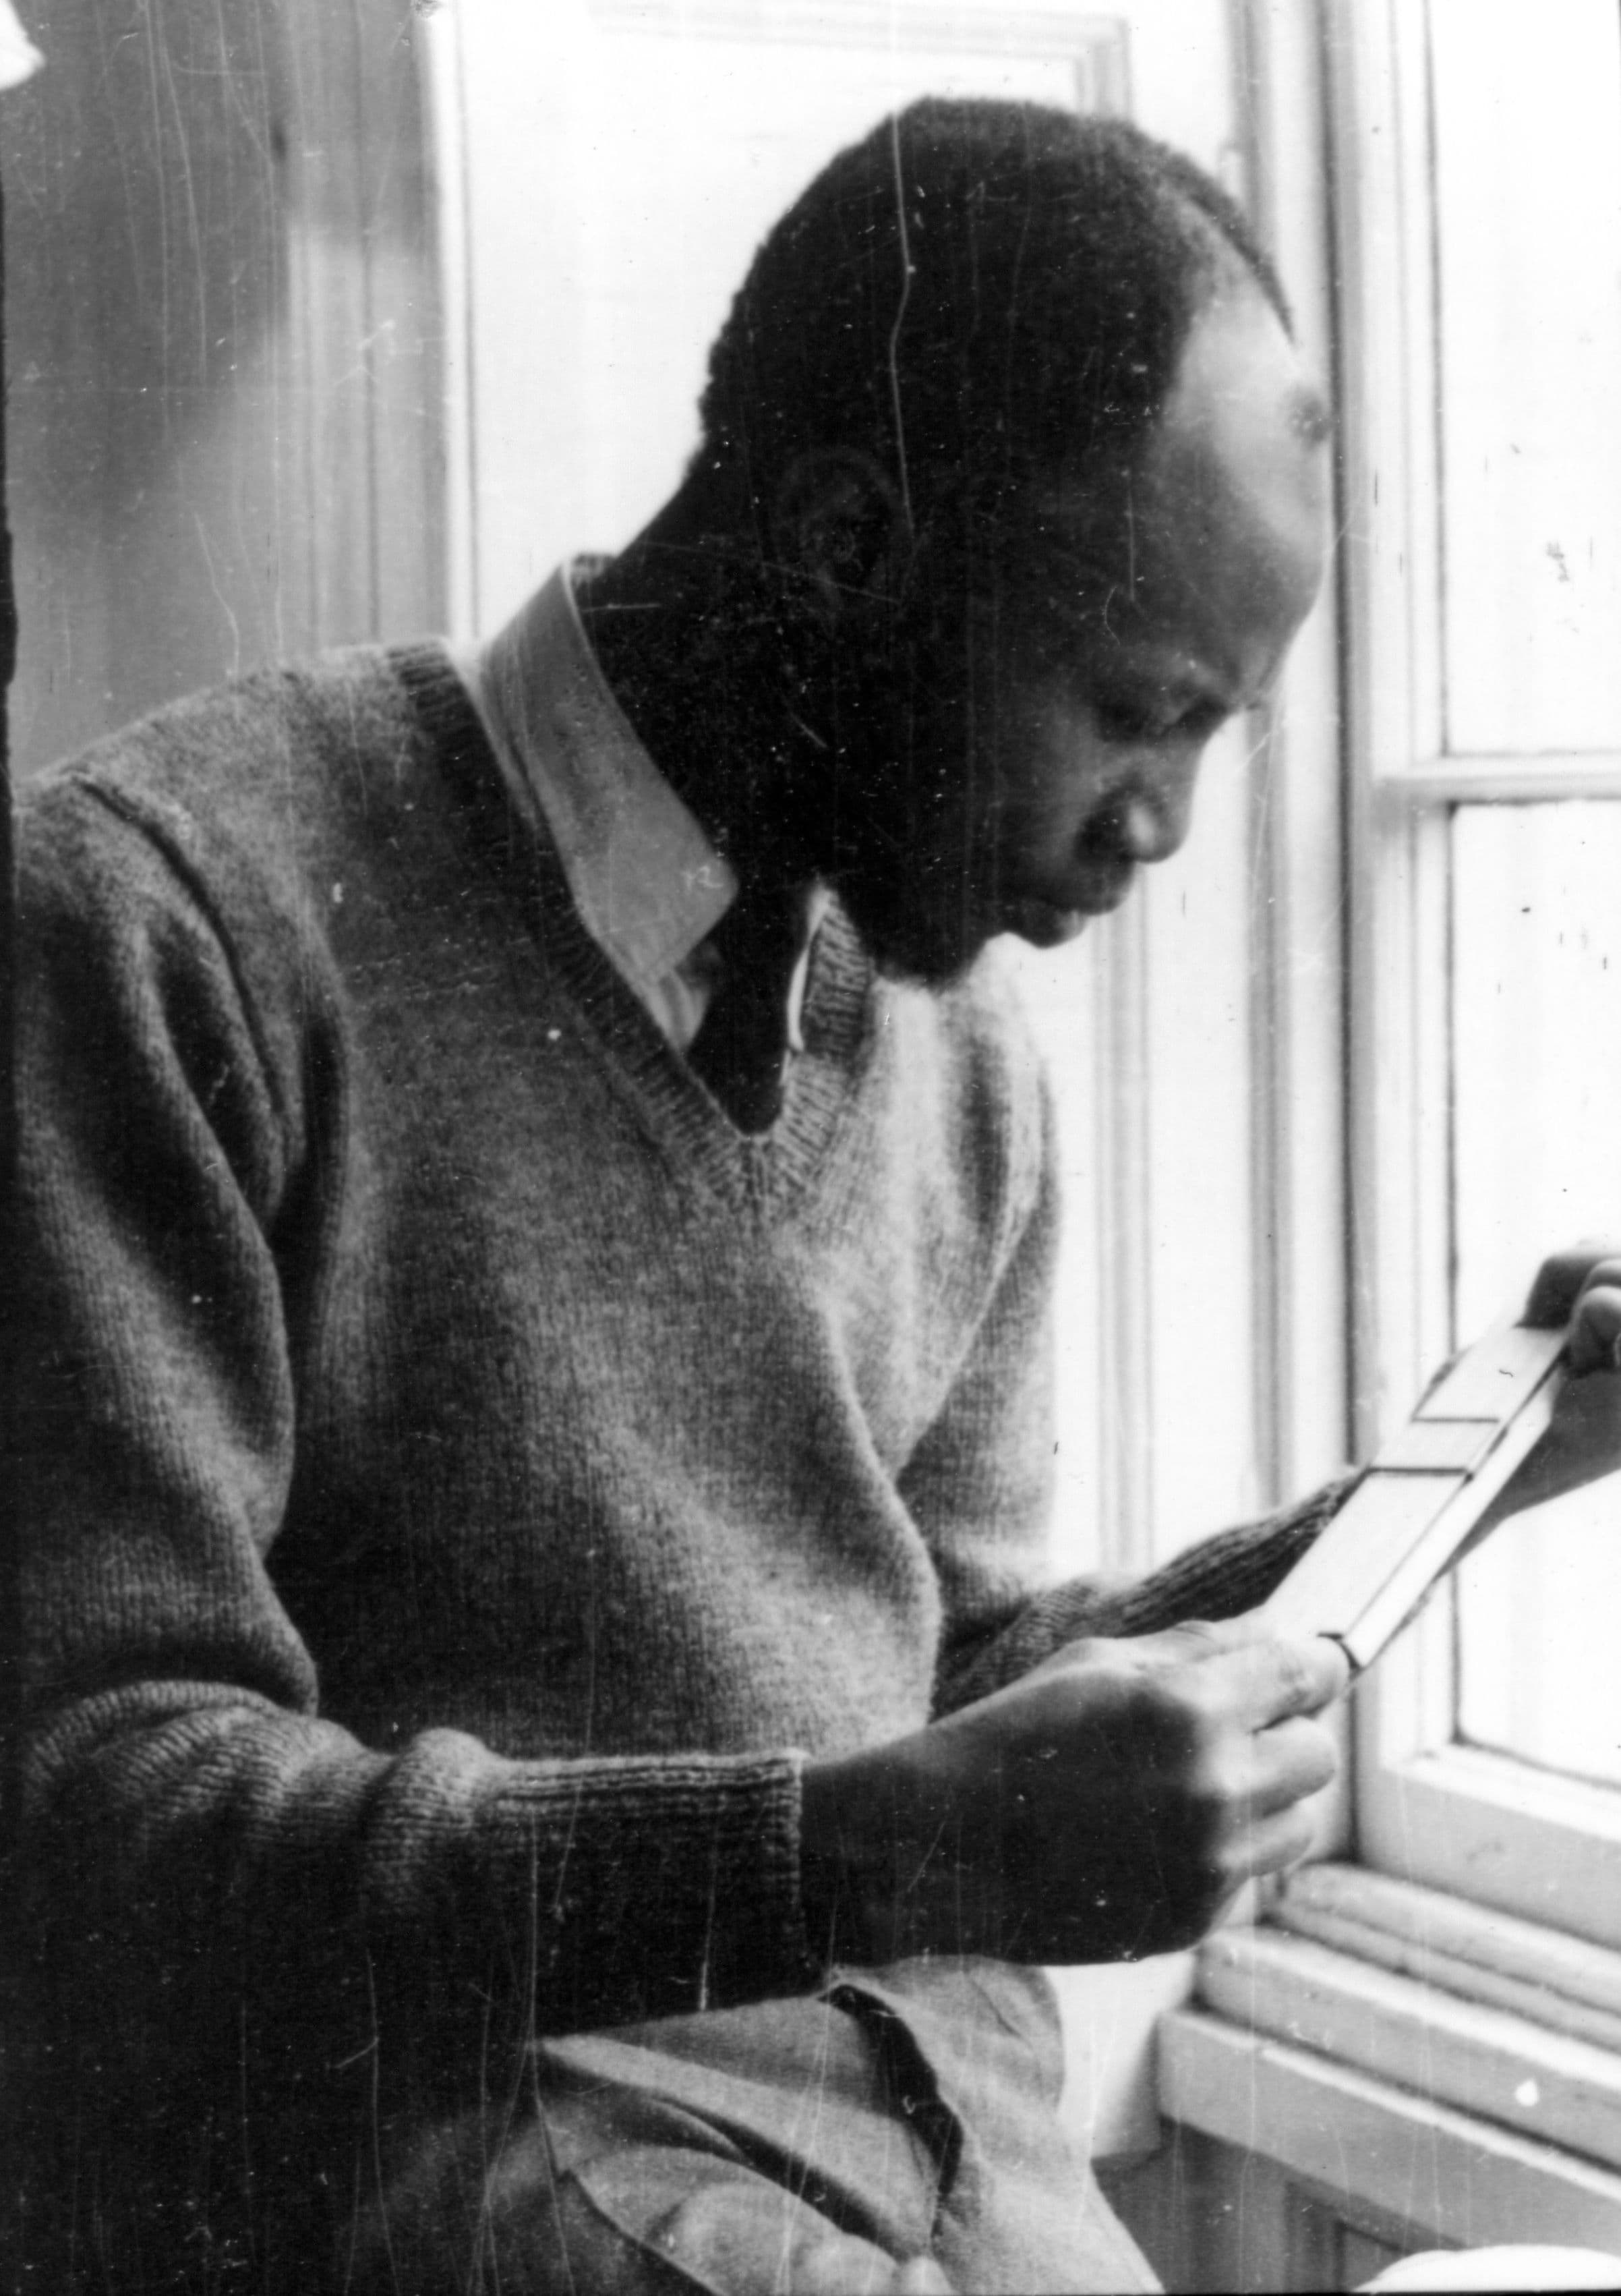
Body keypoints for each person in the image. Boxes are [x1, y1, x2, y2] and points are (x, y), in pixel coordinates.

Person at [8, 97, 1621, 2296]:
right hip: (449, 2155)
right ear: (846, 547)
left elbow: (937, 1676)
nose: (1162, 826)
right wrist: (855, 1846)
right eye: (1138, 710)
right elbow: (98, 1818)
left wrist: (1464, 1473)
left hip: (929, 2147)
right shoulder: (164, 924)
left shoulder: (954, 1047)